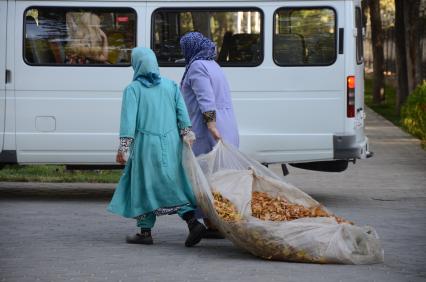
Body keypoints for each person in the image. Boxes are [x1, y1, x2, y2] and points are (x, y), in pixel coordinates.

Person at [108, 47, 206, 247]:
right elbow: (182, 115)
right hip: (171, 144)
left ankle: (146, 232)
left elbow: (128, 122)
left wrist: (124, 148)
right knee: (172, 182)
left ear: (136, 64)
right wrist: (187, 133)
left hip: (146, 146)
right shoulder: (171, 86)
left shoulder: (133, 89)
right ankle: (191, 221)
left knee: (144, 185)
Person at [179, 32, 240, 238]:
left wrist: (212, 126)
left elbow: (206, 99)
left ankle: (214, 223)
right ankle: (216, 221)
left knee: (204, 177)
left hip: (207, 129)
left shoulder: (197, 66)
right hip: (226, 124)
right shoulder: (213, 64)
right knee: (219, 177)